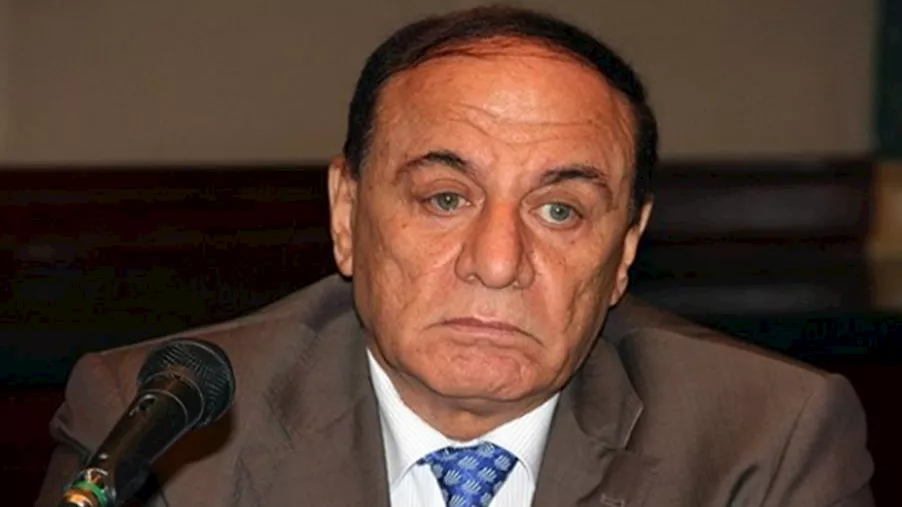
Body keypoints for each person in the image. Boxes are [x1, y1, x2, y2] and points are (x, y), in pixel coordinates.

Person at [36, 5, 874, 507]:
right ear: (347, 212)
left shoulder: (766, 440)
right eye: (446, 198)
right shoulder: (161, 425)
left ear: (625, 251)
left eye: (559, 210)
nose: (499, 262)